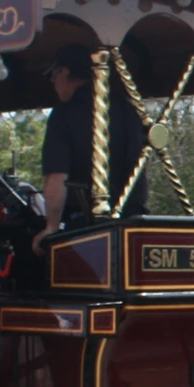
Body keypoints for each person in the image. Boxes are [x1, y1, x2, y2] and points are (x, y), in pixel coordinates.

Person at [32, 43, 149, 255]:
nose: (53, 84)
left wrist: (51, 227)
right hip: (134, 224)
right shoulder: (130, 110)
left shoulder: (64, 114)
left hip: (88, 227)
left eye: (53, 77)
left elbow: (57, 177)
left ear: (64, 72)